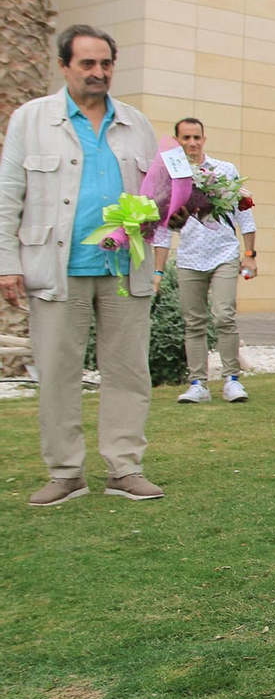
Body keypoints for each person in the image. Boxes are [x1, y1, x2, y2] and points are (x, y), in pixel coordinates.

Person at [0, 25, 163, 505]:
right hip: (55, 269)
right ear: (64, 65)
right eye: (87, 63)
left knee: (129, 372)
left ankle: (125, 468)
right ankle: (65, 472)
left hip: (124, 270)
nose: (98, 72)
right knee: (57, 373)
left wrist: (160, 240)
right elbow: (8, 196)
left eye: (106, 63)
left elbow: (158, 196)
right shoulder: (31, 120)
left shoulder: (137, 123)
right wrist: (7, 263)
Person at [153, 118, 256, 404]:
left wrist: (250, 255)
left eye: (196, 137)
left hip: (224, 253)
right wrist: (158, 272)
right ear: (177, 141)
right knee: (194, 322)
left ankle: (232, 380)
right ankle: (198, 383)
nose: (192, 143)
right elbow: (163, 229)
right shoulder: (171, 177)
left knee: (224, 315)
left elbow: (244, 213)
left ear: (204, 139)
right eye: (186, 138)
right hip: (189, 257)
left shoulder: (224, 170)